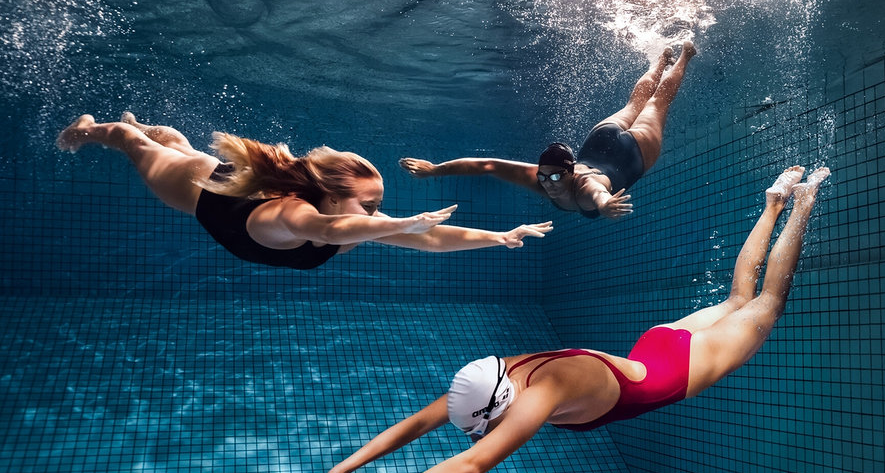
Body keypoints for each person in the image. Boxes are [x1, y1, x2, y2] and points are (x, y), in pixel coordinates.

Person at [301, 165, 830, 473]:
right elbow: (420, 422)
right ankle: (772, 203)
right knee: (737, 300)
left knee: (767, 300)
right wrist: (342, 468)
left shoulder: (543, 393)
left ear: (501, 405)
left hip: (678, 371)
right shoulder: (502, 371)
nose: (484, 435)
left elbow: (469, 467)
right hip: (654, 348)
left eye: (485, 427)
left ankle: (801, 201)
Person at [56, 112, 553, 270]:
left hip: (228, 186)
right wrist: (402, 223)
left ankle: (153, 129)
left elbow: (431, 239)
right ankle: (90, 127)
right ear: (332, 198)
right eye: (369, 205)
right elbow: (326, 230)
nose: (376, 214)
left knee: (180, 147)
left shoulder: (353, 220)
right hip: (198, 193)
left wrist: (500, 236)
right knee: (135, 146)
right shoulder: (292, 215)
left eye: (378, 206)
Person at [400, 42, 696, 219]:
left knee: (657, 103)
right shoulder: (542, 180)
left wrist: (605, 205)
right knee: (635, 102)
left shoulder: (584, 186)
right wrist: (435, 170)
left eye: (555, 177)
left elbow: (598, 194)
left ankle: (685, 54)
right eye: (543, 176)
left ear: (571, 172)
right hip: (600, 140)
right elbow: (487, 165)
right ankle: (661, 59)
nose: (548, 183)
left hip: (630, 153)